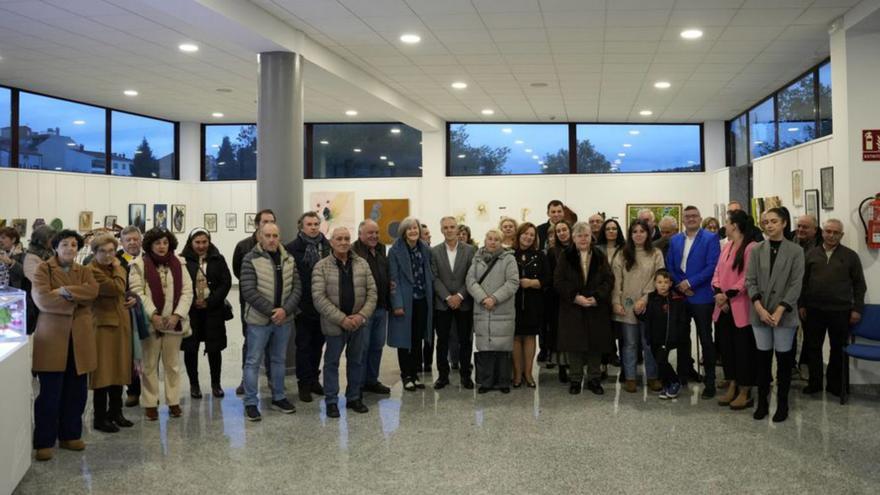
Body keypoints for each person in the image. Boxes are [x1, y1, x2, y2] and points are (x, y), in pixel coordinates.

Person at [30, 230, 99, 461]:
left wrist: (64, 291)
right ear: (55, 247)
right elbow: (43, 299)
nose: (70, 248)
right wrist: (75, 302)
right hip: (52, 338)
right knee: (50, 393)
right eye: (65, 244)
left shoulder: (85, 270)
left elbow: (93, 292)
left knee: (76, 392)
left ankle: (70, 435)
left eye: (73, 245)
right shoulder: (43, 269)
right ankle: (44, 441)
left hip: (80, 338)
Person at [746, 208, 804, 423]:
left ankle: (783, 403)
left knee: (783, 361)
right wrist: (760, 308)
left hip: (784, 315)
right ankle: (762, 401)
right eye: (765, 222)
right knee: (762, 360)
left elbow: (796, 284)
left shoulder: (796, 251)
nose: (769, 225)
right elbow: (750, 280)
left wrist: (780, 310)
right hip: (760, 312)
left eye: (773, 221)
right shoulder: (757, 249)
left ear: (784, 223)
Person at [129, 228, 194, 421]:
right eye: (157, 243)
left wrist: (177, 315)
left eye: (165, 242)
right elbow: (137, 292)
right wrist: (154, 315)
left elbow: (187, 291)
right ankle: (150, 403)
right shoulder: (139, 265)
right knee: (149, 365)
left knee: (172, 365)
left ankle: (173, 401)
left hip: (174, 323)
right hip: (152, 324)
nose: (162, 246)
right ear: (149, 244)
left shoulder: (179, 263)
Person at [311, 227, 377, 418]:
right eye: (339, 238)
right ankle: (331, 401)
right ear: (331, 242)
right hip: (334, 324)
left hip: (358, 324)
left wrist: (360, 316)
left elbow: (372, 293)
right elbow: (318, 297)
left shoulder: (362, 264)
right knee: (331, 363)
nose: (343, 242)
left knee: (356, 361)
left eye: (347, 238)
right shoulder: (321, 266)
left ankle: (354, 397)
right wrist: (342, 319)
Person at [240, 223, 301, 421]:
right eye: (267, 235)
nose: (272, 239)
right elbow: (248, 290)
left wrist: (285, 310)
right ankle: (250, 402)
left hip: (284, 320)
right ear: (259, 237)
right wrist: (272, 311)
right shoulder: (250, 259)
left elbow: (297, 288)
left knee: (278, 360)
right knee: (253, 362)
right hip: (259, 321)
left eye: (275, 235)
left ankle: (279, 397)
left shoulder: (288, 258)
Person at [800, 219, 866, 397]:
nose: (831, 235)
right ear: (822, 232)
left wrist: (857, 309)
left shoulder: (851, 256)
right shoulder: (811, 254)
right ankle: (814, 383)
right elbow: (803, 283)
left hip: (841, 311)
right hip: (814, 310)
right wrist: (802, 305)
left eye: (836, 232)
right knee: (813, 347)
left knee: (838, 349)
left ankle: (835, 385)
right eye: (828, 231)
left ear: (841, 235)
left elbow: (860, 285)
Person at [87, 234, 140, 433]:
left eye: (111, 251)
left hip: (120, 325)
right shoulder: (92, 270)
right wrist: (119, 266)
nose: (109, 255)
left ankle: (116, 413)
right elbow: (116, 287)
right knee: (103, 373)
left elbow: (122, 292)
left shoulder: (113, 269)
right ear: (95, 252)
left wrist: (131, 297)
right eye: (103, 251)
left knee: (119, 369)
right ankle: (99, 417)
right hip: (102, 327)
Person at [554, 222, 614, 395]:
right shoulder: (566, 255)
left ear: (591, 237)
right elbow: (558, 281)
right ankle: (575, 379)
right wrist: (575, 297)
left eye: (586, 235)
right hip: (573, 307)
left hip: (596, 306)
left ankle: (594, 379)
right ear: (573, 238)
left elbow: (608, 280)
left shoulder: (599, 255)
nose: (583, 239)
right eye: (579, 235)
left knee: (595, 344)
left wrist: (597, 297)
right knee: (575, 345)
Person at [666, 206, 720, 398]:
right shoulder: (675, 240)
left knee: (706, 338)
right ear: (683, 220)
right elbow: (670, 265)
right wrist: (681, 285)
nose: (690, 219)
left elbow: (712, 266)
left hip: (702, 295)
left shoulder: (710, 238)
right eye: (687, 216)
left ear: (700, 218)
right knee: (682, 337)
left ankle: (711, 381)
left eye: (694, 216)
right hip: (680, 296)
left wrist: (690, 283)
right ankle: (683, 374)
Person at [712, 210, 758, 411]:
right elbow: (717, 272)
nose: (725, 225)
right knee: (727, 349)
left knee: (743, 351)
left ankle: (745, 391)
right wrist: (718, 292)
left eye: (727, 222)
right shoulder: (727, 245)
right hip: (722, 307)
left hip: (740, 307)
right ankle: (732, 384)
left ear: (735, 225)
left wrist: (728, 295)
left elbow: (748, 278)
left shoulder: (751, 247)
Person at [612, 220, 665, 393]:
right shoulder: (622, 254)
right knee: (629, 343)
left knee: (649, 343)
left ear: (648, 234)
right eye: (635, 231)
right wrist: (616, 302)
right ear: (630, 234)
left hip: (649, 305)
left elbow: (659, 277)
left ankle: (652, 377)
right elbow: (616, 280)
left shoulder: (656, 253)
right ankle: (630, 378)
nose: (639, 234)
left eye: (642, 231)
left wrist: (644, 299)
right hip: (627, 306)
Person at [285, 211, 331, 402]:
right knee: (303, 346)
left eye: (316, 224)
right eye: (309, 224)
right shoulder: (291, 248)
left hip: (323, 306)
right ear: (301, 227)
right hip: (302, 306)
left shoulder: (327, 247)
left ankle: (313, 379)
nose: (313, 227)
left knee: (318, 346)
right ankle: (303, 383)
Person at [181, 228, 232, 399]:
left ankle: (216, 384)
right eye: (197, 242)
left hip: (213, 311)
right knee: (191, 349)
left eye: (204, 242)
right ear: (191, 243)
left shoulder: (218, 258)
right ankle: (194, 385)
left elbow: (226, 283)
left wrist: (210, 302)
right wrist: (192, 302)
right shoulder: (182, 260)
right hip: (191, 312)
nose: (201, 246)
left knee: (214, 348)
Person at [467, 229, 519, 393]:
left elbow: (512, 282)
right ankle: (486, 382)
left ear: (501, 241)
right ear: (485, 240)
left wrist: (494, 298)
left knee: (502, 348)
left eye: (497, 239)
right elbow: (470, 281)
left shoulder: (509, 259)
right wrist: (483, 298)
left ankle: (503, 382)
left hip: (501, 308)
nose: (493, 242)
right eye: (490, 238)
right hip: (483, 309)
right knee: (486, 347)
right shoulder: (476, 259)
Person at [232, 209, 276, 395]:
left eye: (271, 221)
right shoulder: (244, 246)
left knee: (273, 343)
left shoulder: (278, 247)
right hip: (250, 304)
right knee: (250, 342)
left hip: (275, 305)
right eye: (264, 221)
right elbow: (238, 273)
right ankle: (246, 380)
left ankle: (273, 379)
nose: (267, 224)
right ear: (257, 224)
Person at [388, 217, 434, 391]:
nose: (413, 231)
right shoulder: (395, 251)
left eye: (415, 228)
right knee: (404, 340)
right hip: (405, 301)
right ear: (404, 232)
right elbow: (393, 279)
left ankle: (415, 374)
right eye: (409, 229)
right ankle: (405, 375)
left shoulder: (425, 250)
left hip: (422, 300)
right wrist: (397, 304)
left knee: (417, 339)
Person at [431, 216, 476, 390]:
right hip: (443, 304)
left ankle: (466, 375)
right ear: (441, 230)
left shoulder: (471, 250)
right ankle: (443, 376)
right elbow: (434, 277)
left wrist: (459, 295)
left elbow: (472, 276)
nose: (449, 230)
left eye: (452, 227)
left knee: (465, 340)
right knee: (442, 340)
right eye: (446, 227)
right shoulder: (434, 252)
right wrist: (448, 297)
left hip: (464, 303)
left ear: (457, 229)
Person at [351, 219, 392, 395]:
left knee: (377, 346)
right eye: (370, 233)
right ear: (360, 234)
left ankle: (371, 380)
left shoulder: (381, 249)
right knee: (362, 348)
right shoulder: (353, 252)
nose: (374, 236)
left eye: (376, 232)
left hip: (381, 307)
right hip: (363, 309)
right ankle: (357, 385)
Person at [640, 270, 687, 400]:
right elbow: (646, 317)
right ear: (655, 284)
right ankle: (667, 384)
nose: (663, 285)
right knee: (660, 361)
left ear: (671, 283)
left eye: (666, 282)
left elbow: (681, 320)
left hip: (667, 338)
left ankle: (675, 382)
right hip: (654, 337)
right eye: (660, 282)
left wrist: (678, 333)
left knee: (661, 360)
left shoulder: (676, 299)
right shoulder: (651, 298)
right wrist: (637, 313)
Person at [512, 222, 548, 388]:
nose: (528, 237)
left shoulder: (540, 255)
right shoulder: (510, 255)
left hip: (534, 303)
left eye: (532, 235)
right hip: (513, 303)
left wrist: (533, 282)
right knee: (516, 337)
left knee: (530, 337)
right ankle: (517, 374)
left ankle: (528, 373)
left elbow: (548, 279)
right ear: (519, 235)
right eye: (525, 234)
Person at [117, 226, 144, 407]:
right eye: (128, 240)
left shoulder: (149, 257)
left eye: (135, 239)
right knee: (129, 354)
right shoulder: (117, 260)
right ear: (122, 242)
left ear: (141, 240)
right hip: (125, 311)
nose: (132, 243)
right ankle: (133, 391)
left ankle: (150, 392)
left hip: (147, 311)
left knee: (148, 355)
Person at [544, 220, 572, 380]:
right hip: (557, 299)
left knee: (573, 333)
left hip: (575, 298)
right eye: (559, 231)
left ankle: (574, 365)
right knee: (559, 333)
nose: (562, 233)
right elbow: (550, 277)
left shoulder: (578, 249)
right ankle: (562, 366)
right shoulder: (552, 251)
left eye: (564, 230)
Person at [418, 223, 434, 373]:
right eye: (426, 234)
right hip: (418, 298)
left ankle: (428, 362)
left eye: (429, 233)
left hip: (432, 298)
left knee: (430, 332)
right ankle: (417, 363)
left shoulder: (432, 252)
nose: (429, 236)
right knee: (417, 332)